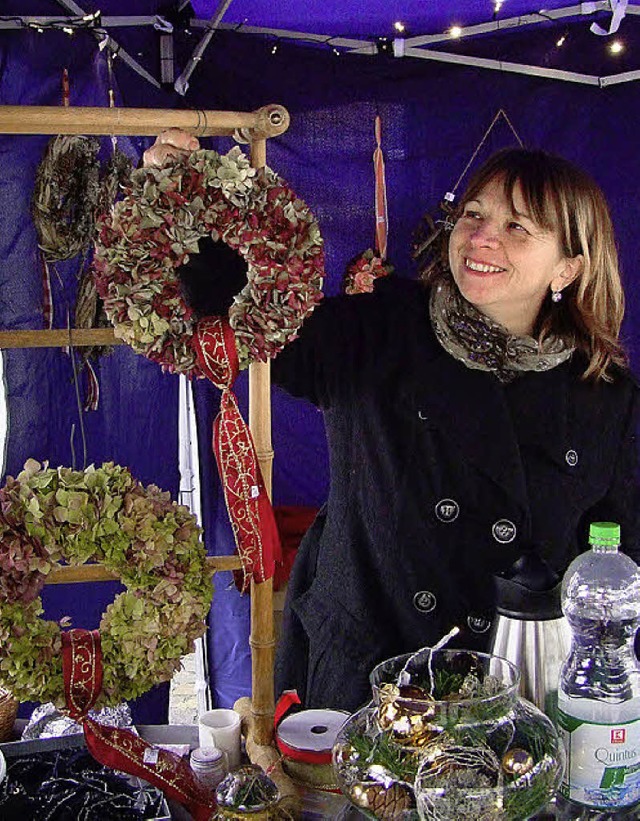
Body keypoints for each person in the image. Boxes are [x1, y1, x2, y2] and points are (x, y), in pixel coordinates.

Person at [143, 132, 640, 713]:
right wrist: (184, 190)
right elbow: (245, 312)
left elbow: (619, 571)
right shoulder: (382, 327)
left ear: (569, 268)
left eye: (517, 227)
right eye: (474, 214)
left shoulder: (608, 399)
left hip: (517, 692)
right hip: (368, 680)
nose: (481, 237)